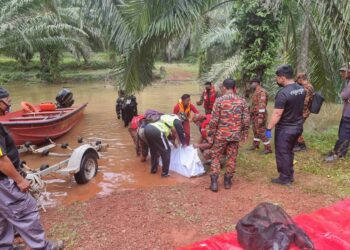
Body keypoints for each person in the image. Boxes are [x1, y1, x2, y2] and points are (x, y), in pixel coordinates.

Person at [0, 87, 64, 250]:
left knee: (2, 216)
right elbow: (1, 161)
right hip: (3, 182)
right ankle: (43, 247)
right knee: (26, 212)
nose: (9, 105)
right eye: (7, 102)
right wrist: (20, 179)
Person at [266, 65, 306, 185]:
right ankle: (290, 174)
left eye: (277, 78)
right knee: (289, 151)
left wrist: (268, 128)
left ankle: (284, 177)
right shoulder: (301, 89)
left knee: (283, 152)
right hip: (298, 126)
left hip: (285, 129)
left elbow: (277, 114)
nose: (276, 80)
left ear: (283, 78)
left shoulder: (282, 93)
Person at [208, 79, 250, 192]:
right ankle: (227, 181)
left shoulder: (219, 101)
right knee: (232, 157)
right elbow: (246, 120)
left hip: (221, 135)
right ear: (234, 87)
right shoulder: (242, 101)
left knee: (216, 156)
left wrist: (210, 135)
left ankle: (214, 182)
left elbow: (214, 120)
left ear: (224, 88)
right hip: (235, 135)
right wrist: (245, 133)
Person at [326, 64, 350, 162]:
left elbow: (344, 95)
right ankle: (338, 151)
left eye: (344, 72)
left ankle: (339, 154)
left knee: (344, 134)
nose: (342, 74)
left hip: (348, 115)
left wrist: (344, 94)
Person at [249, 78, 272, 154]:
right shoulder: (255, 91)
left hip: (260, 115)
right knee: (255, 130)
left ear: (257, 83)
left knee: (261, 131)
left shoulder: (262, 92)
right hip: (255, 114)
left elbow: (262, 105)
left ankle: (268, 148)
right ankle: (255, 145)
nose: (251, 84)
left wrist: (261, 117)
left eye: (252, 83)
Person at [294, 73, 314, 152]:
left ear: (300, 79)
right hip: (303, 111)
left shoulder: (307, 87)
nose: (297, 82)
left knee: (296, 128)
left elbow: (305, 102)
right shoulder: (307, 86)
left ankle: (301, 146)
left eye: (297, 80)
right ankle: (298, 145)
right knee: (297, 127)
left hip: (303, 112)